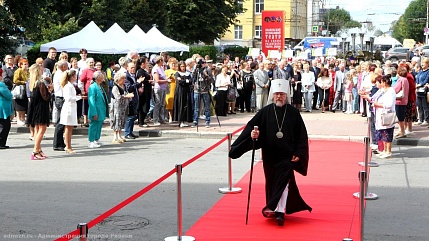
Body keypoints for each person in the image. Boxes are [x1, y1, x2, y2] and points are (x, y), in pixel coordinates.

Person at [229, 79, 312, 226]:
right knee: (272, 182)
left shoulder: (293, 113)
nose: (279, 97)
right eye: (276, 94)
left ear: (286, 95)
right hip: (270, 155)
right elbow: (251, 129)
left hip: (287, 155)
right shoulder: (265, 112)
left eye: (281, 94)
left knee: (284, 181)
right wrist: (254, 136)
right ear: (273, 96)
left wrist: (299, 152)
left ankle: (279, 210)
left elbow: (301, 136)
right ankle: (273, 207)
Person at [27, 64, 53, 160]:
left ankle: (39, 149)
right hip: (41, 108)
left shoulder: (32, 82)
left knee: (37, 130)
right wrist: (50, 91)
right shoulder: (40, 83)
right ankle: (35, 151)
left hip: (35, 108)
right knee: (42, 130)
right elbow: (45, 97)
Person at [59, 70, 81, 153]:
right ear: (72, 77)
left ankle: (68, 145)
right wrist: (78, 98)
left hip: (71, 107)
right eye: (75, 76)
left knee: (70, 128)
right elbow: (68, 98)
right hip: (69, 108)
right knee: (68, 128)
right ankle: (68, 146)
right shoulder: (68, 86)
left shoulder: (70, 85)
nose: (76, 77)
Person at [110, 72, 134, 143]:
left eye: (124, 78)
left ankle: (119, 135)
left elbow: (126, 94)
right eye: (122, 78)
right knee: (116, 120)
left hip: (124, 107)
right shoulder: (115, 87)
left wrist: (129, 95)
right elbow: (118, 97)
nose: (124, 80)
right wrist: (127, 96)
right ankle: (115, 137)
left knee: (122, 121)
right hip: (117, 107)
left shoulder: (124, 86)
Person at [87, 71, 109, 148]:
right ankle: (91, 141)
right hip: (96, 110)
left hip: (101, 110)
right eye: (102, 76)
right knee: (93, 125)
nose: (103, 77)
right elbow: (91, 100)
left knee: (99, 125)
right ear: (98, 77)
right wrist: (94, 112)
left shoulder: (100, 86)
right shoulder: (93, 87)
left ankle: (96, 139)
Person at [52, 60, 68, 151]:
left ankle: (59, 142)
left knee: (61, 121)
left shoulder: (58, 74)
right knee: (61, 121)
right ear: (63, 67)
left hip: (59, 98)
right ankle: (57, 143)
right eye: (66, 66)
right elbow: (63, 86)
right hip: (60, 98)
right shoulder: (60, 74)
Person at [173, 61, 193, 127]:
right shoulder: (177, 73)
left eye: (184, 66)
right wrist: (185, 81)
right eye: (181, 66)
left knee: (186, 105)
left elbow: (190, 81)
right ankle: (180, 121)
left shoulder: (188, 73)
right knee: (181, 105)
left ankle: (185, 120)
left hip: (187, 90)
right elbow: (179, 82)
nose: (183, 68)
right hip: (180, 91)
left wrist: (185, 81)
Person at [393, 67, 409, 138]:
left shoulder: (400, 80)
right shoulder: (406, 79)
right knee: (401, 117)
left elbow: (395, 89)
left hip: (399, 101)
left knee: (400, 118)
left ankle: (402, 132)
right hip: (404, 100)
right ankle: (401, 130)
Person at [152, 56, 168, 126]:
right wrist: (166, 80)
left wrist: (167, 78)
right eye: (162, 60)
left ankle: (162, 119)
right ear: (160, 61)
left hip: (163, 88)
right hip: (158, 88)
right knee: (158, 104)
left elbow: (163, 77)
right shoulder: (156, 69)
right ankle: (155, 120)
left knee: (162, 104)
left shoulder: (161, 67)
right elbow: (157, 80)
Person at [13, 58, 30, 126]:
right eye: (24, 64)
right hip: (20, 90)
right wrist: (24, 82)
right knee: (19, 105)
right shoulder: (18, 71)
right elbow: (15, 80)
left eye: (27, 64)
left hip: (26, 90)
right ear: (21, 65)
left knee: (24, 105)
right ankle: (18, 118)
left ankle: (23, 118)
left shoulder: (28, 71)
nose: (26, 65)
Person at [0, 69, 13, 149]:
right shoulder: (1, 85)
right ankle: (1, 143)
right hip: (2, 108)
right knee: (5, 126)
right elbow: (8, 95)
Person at [165, 58, 178, 123]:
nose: (174, 65)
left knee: (176, 102)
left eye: (175, 63)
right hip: (170, 88)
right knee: (170, 103)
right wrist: (168, 78)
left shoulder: (178, 71)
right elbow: (164, 79)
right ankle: (170, 117)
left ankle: (176, 117)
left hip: (177, 87)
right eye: (172, 63)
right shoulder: (167, 71)